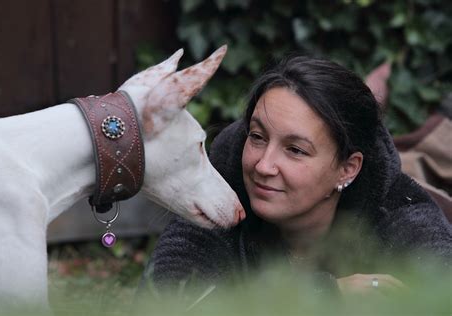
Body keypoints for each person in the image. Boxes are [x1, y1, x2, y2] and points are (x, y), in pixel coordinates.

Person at [142, 54, 452, 297]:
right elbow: (171, 297)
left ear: (348, 168)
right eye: (258, 137)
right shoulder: (222, 188)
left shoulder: (403, 216)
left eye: (295, 150)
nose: (264, 165)